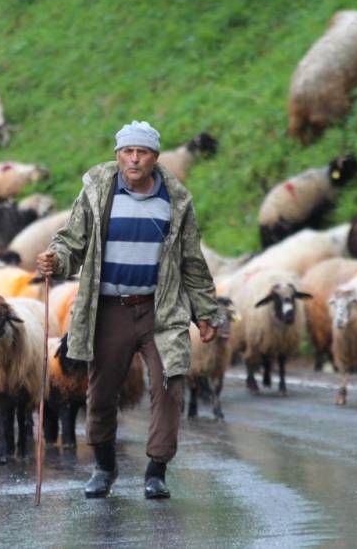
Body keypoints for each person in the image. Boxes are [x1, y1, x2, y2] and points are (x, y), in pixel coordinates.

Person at [37, 120, 220, 499]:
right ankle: (104, 466)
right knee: (102, 393)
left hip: (160, 308)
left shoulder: (177, 200)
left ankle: (156, 471)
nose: (134, 159)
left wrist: (205, 311)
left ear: (155, 157)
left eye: (142, 152)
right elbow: (72, 242)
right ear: (118, 155)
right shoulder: (98, 192)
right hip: (109, 309)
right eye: (127, 152)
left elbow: (192, 261)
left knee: (170, 385)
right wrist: (56, 260)